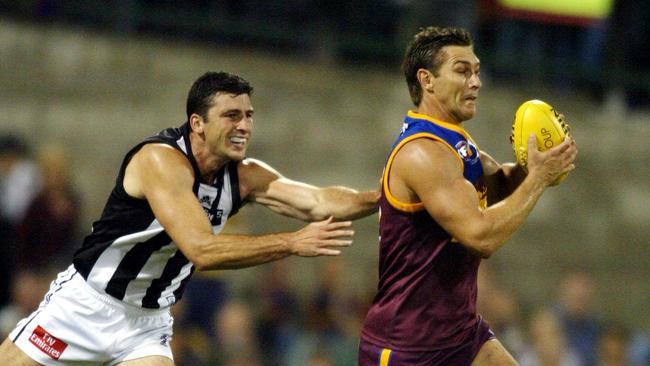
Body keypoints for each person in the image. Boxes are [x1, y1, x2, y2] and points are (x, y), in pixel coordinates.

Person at [0, 71, 378, 366]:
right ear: (197, 123)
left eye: (248, 116)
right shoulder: (159, 161)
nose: (244, 126)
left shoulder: (244, 175)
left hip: (146, 325)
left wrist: (384, 197)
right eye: (232, 116)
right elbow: (202, 250)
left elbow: (318, 202)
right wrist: (292, 242)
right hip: (87, 306)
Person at [358, 26, 577, 365]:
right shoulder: (422, 153)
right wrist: (537, 179)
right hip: (408, 347)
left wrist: (533, 164)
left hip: (460, 334)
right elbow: (480, 236)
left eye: (476, 71)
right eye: (462, 71)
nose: (476, 82)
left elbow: (501, 185)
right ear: (427, 80)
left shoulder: (458, 145)